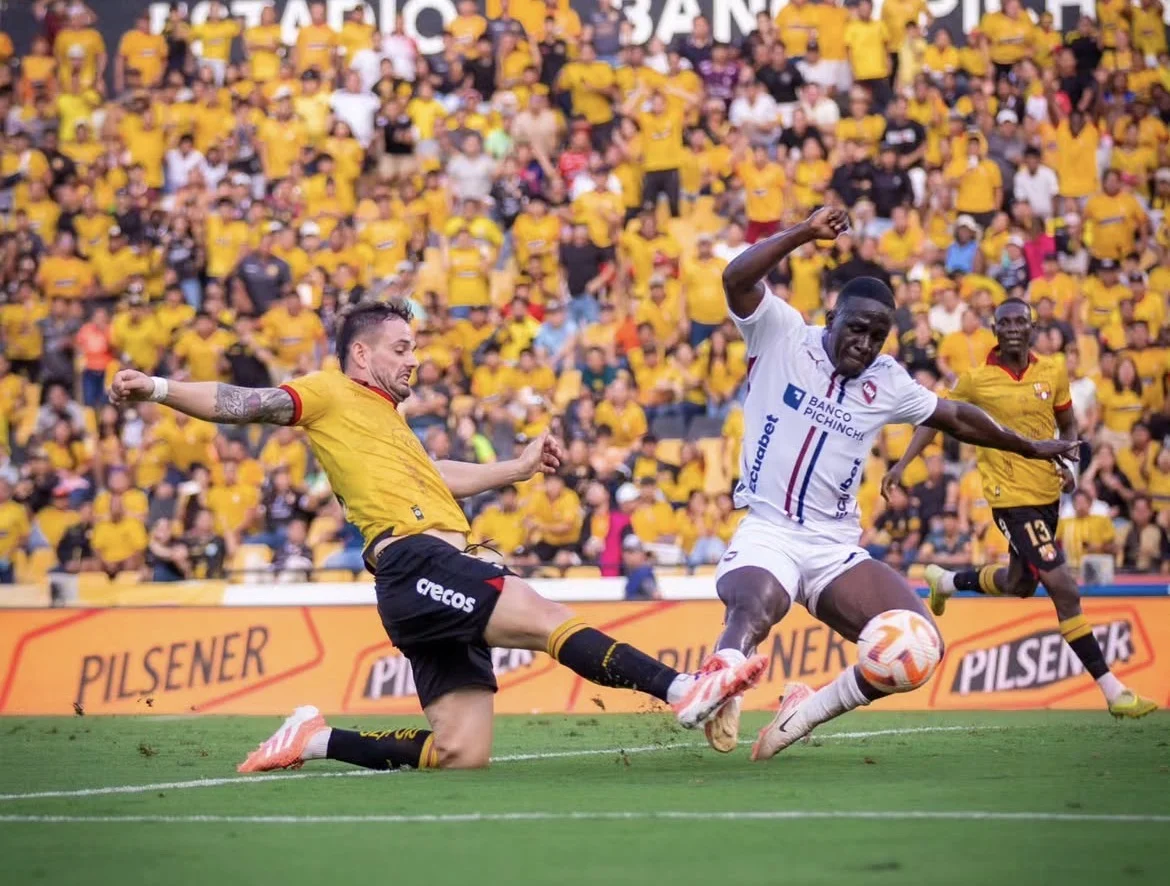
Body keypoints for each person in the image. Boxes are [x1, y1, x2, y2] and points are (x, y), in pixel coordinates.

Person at [109, 301, 765, 773]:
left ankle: (315, 739)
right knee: (541, 615)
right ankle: (685, 691)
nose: (414, 360)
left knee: (461, 753)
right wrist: (159, 389)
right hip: (415, 560)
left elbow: (435, 475)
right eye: (401, 348)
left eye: (415, 349)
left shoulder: (386, 422)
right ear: (361, 353)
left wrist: (515, 468)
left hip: (429, 575)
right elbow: (246, 403)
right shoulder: (330, 392)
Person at [704, 208, 1081, 761]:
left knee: (920, 647)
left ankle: (801, 713)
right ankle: (727, 677)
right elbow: (736, 279)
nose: (865, 343)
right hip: (769, 528)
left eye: (878, 336)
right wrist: (805, 234)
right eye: (856, 328)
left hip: (834, 547)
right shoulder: (780, 332)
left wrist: (1028, 445)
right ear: (831, 316)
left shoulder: (887, 381)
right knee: (756, 604)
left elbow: (955, 417)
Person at [886, 298, 1156, 719]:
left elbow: (1067, 426)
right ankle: (1114, 691)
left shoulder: (1054, 371)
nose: (1013, 327)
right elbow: (933, 417)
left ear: (1032, 327)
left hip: (1048, 494)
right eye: (1005, 321)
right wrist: (902, 465)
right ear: (995, 328)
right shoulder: (976, 381)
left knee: (1019, 585)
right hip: (1010, 500)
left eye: (1020, 321)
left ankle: (947, 582)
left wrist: (1069, 464)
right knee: (1063, 587)